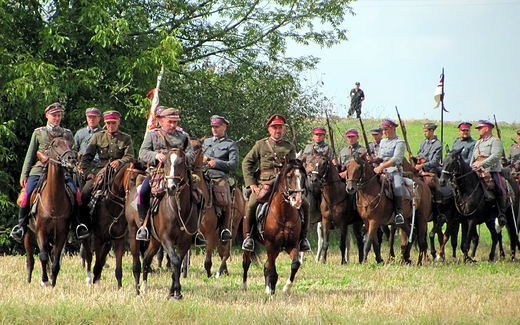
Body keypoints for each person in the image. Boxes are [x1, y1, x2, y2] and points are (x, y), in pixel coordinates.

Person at [11, 103, 87, 242]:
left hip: (62, 172)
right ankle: (21, 225)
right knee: (27, 194)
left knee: (76, 194)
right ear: (47, 115)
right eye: (54, 115)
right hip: (40, 170)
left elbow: (72, 153)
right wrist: (24, 174)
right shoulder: (39, 133)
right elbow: (30, 155)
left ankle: (77, 225)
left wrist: (74, 161)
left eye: (59, 115)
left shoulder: (67, 134)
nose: (57, 118)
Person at [241, 114, 311, 252]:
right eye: (275, 127)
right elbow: (246, 163)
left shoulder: (289, 147)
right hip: (265, 183)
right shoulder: (260, 145)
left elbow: (294, 167)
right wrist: (252, 185)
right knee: (251, 205)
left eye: (280, 127)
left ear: (284, 130)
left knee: (306, 205)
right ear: (269, 130)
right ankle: (249, 237)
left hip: (285, 184)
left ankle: (303, 238)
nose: (277, 130)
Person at [137, 107, 197, 241]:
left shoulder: (183, 136)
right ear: (161, 121)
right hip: (157, 173)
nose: (173, 125)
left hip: (180, 174)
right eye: (170, 121)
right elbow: (142, 153)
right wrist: (156, 155)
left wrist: (179, 158)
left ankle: (196, 230)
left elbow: (191, 155)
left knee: (199, 195)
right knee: (143, 191)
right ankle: (144, 226)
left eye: (175, 122)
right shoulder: (153, 135)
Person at [80, 110, 134, 236]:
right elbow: (86, 157)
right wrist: (88, 173)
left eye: (113, 123)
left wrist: (120, 162)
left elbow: (130, 156)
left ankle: (137, 224)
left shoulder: (126, 138)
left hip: (120, 173)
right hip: (100, 172)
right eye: (108, 123)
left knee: (135, 195)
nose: (110, 126)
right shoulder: (98, 137)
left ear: (118, 122)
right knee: (84, 193)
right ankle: (84, 225)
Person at [202, 115, 239, 243]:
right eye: (213, 127)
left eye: (217, 127)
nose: (214, 129)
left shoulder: (230, 144)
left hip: (219, 175)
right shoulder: (206, 142)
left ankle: (224, 229)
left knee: (223, 197)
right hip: (202, 174)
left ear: (224, 127)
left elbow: (233, 164)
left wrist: (216, 163)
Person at [367, 119, 406, 225]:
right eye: (383, 130)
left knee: (397, 186)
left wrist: (382, 166)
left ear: (393, 128)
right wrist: (373, 159)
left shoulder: (399, 142)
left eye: (386, 129)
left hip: (394, 170)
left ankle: (399, 213)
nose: (384, 132)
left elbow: (396, 159)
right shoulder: (383, 141)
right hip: (380, 169)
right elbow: (380, 157)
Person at [469, 120, 507, 224]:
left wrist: (483, 163)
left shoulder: (495, 141)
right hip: (477, 170)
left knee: (498, 188)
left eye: (480, 128)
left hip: (492, 170)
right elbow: (473, 157)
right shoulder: (478, 142)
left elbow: (496, 155)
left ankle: (500, 213)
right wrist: (470, 167)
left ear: (487, 129)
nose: (478, 130)